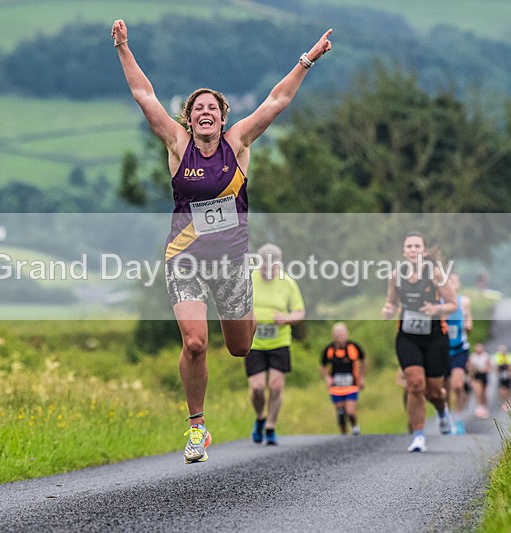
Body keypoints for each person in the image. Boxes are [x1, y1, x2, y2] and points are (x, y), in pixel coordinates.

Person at [112, 19, 332, 463]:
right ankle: (197, 428)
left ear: (223, 116)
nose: (205, 113)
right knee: (194, 342)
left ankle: (243, 322)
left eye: (212, 108)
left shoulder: (239, 142)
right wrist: (123, 49)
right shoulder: (177, 145)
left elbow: (278, 99)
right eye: (198, 109)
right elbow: (144, 96)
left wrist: (307, 60)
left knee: (240, 347)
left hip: (232, 263)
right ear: (189, 119)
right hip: (185, 258)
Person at [381, 231, 457, 452]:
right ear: (404, 252)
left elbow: (452, 303)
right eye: (409, 247)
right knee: (415, 385)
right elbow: (391, 302)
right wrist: (388, 310)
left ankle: (442, 412)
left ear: (423, 251)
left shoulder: (435, 274)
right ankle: (419, 436)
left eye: (417, 246)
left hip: (435, 337)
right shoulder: (395, 275)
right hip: (407, 337)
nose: (413, 250)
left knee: (434, 391)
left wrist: (436, 308)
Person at [246, 243, 306, 445]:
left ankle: (271, 426)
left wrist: (288, 318)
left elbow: (300, 311)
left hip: (279, 341)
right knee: (257, 387)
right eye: (265, 268)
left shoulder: (288, 282)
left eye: (272, 268)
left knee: (276, 386)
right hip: (254, 340)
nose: (268, 272)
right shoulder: (249, 278)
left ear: (278, 264)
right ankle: (260, 418)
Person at [319, 322, 365, 436]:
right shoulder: (329, 349)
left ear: (347, 334)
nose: (340, 337)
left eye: (342, 334)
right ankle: (343, 435)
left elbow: (363, 361)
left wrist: (361, 378)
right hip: (336, 386)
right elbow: (322, 365)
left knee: (350, 411)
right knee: (340, 412)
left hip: (351, 385)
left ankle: (355, 426)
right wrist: (327, 378)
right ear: (333, 336)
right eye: (337, 335)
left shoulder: (353, 347)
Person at [445, 273, 472, 436]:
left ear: (458, 285)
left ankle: (459, 419)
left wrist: (468, 324)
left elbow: (469, 322)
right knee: (444, 389)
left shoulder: (465, 302)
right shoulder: (439, 302)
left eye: (454, 281)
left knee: (457, 385)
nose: (451, 284)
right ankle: (446, 418)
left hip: (460, 349)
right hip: (442, 351)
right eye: (448, 282)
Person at [467, 343, 492, 419]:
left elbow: (489, 367)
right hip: (476, 376)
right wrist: (470, 377)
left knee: (484, 392)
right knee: (478, 391)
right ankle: (479, 406)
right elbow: (470, 367)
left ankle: (484, 407)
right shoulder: (473, 357)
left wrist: (483, 369)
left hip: (483, 375)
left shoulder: (485, 356)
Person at [494, 344, 511, 412]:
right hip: (501, 375)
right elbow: (497, 367)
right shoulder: (498, 356)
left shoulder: (508, 356)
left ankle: (508, 401)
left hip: (507, 375)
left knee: (508, 389)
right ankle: (504, 401)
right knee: (502, 389)